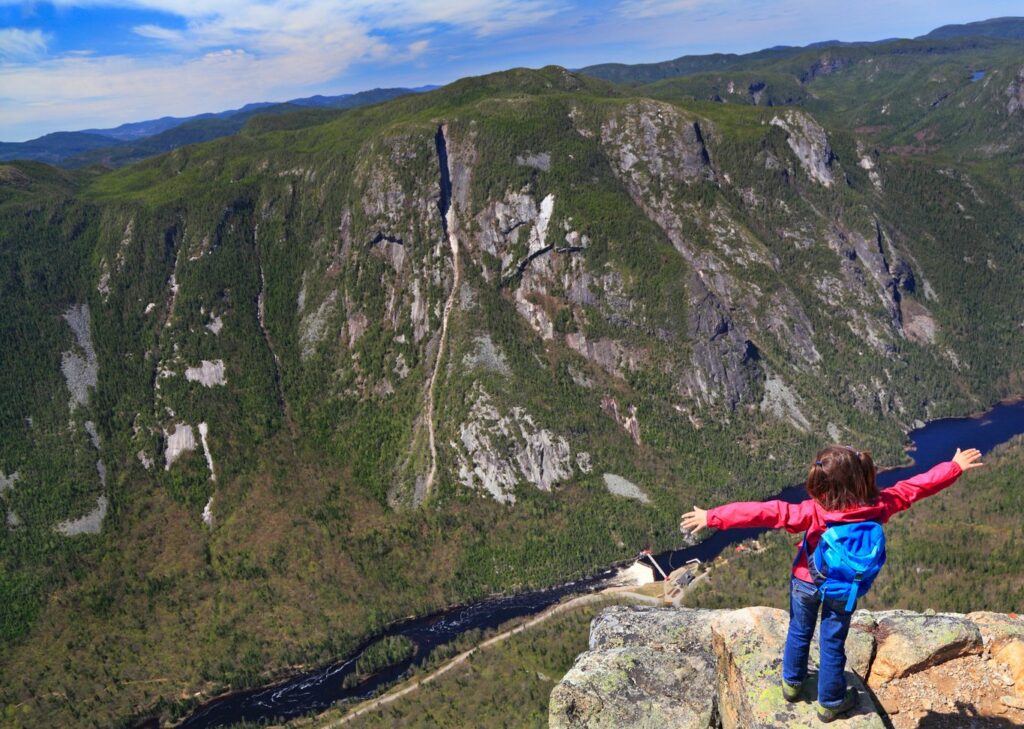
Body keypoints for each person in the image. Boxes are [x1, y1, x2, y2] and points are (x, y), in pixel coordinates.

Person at [679, 445, 983, 722]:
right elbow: (917, 486)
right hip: (844, 589)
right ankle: (830, 702)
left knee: (799, 630)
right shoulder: (879, 505)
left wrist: (713, 516)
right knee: (832, 643)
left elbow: (765, 512)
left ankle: (791, 684)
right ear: (860, 477)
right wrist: (953, 466)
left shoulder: (812, 511)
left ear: (826, 486)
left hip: (805, 581)